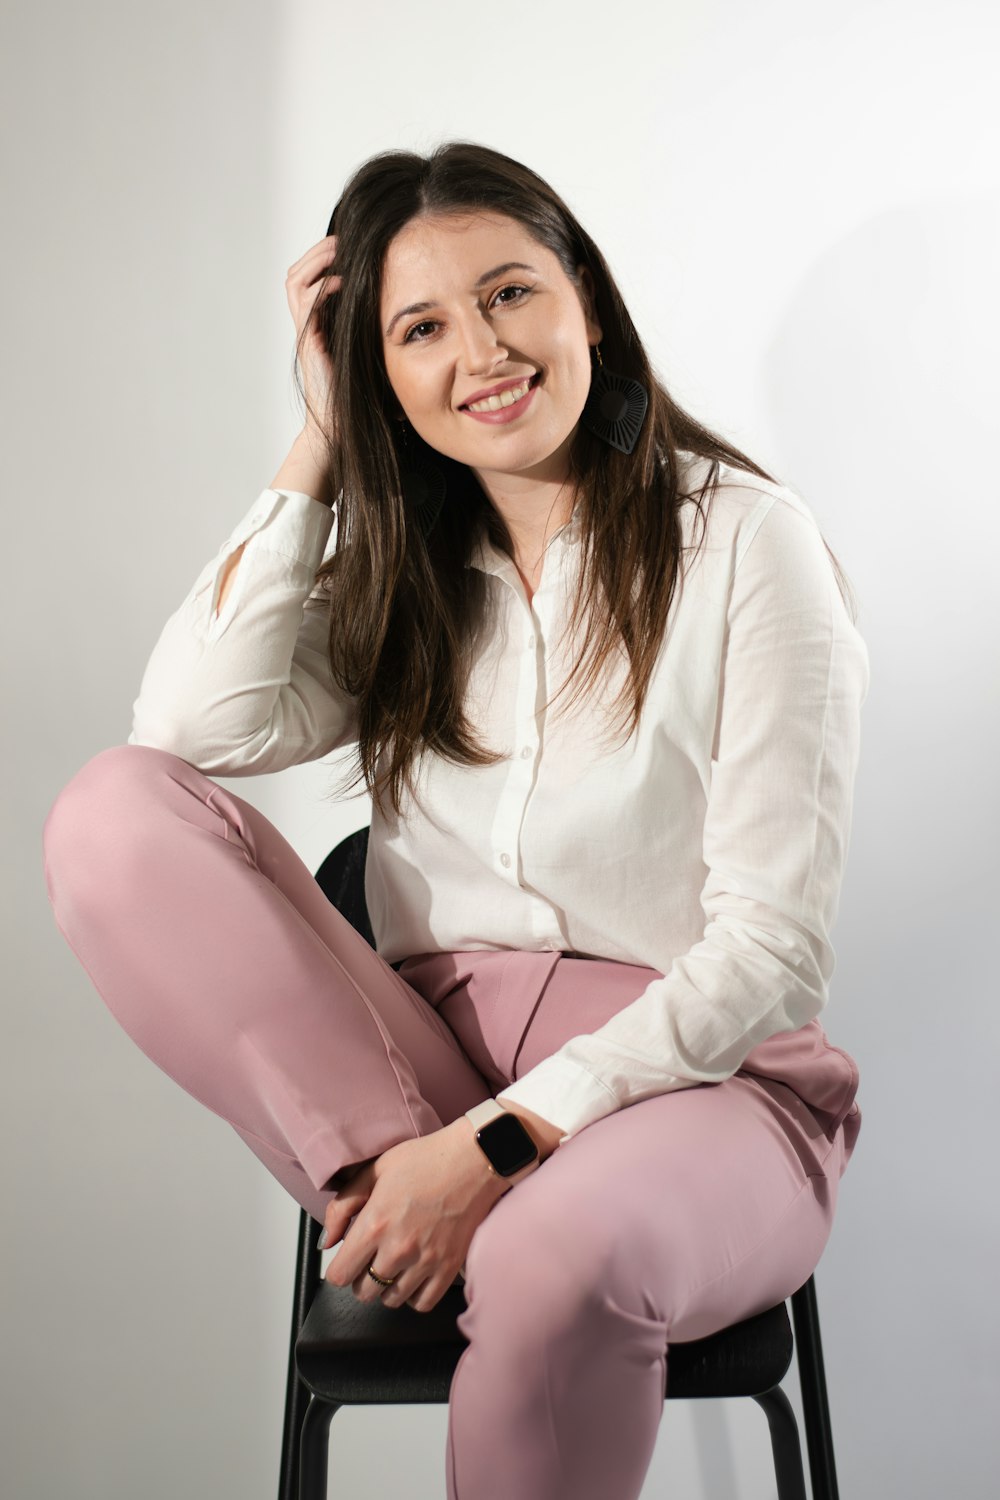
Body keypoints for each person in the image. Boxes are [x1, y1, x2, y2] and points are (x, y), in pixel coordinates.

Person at [41, 140, 870, 1500]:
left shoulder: (743, 544)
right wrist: (320, 430)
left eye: (511, 295)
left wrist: (493, 1149)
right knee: (111, 813)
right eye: (418, 329)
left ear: (586, 302)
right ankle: (420, 1210)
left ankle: (475, 1223)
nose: (481, 350)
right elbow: (187, 734)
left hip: (696, 1088)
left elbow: (771, 950)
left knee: (555, 1255)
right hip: (417, 1079)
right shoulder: (401, 572)